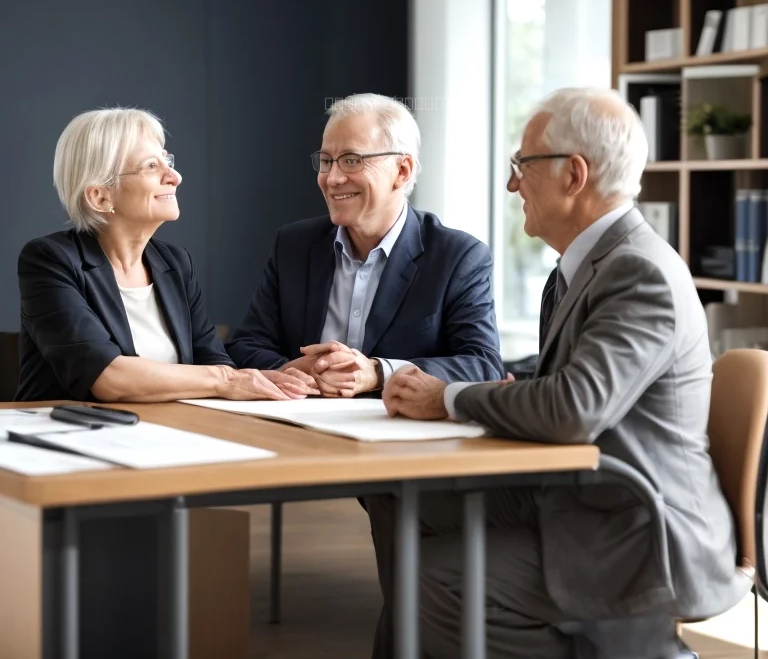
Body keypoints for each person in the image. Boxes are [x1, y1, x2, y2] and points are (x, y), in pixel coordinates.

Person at [382, 88, 750, 658]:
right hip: (585, 493)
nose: (512, 185)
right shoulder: (582, 268)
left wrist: (450, 397)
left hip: (634, 528)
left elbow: (576, 409)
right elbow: (576, 387)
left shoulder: (638, 272)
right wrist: (516, 390)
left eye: (521, 167)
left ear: (574, 175)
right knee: (410, 501)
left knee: (437, 573)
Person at [17, 107, 316, 403]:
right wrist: (229, 380)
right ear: (100, 196)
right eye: (151, 166)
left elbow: (214, 362)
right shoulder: (50, 260)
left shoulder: (175, 264)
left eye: (167, 160)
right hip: (70, 441)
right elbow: (108, 378)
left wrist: (276, 375)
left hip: (168, 435)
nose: (174, 176)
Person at [226, 93, 503, 395]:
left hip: (396, 433)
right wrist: (292, 369)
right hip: (300, 426)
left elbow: (482, 364)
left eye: (351, 160)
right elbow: (245, 345)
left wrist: (378, 372)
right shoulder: (293, 245)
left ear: (402, 170)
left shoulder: (458, 257)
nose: (332, 178)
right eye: (326, 161)